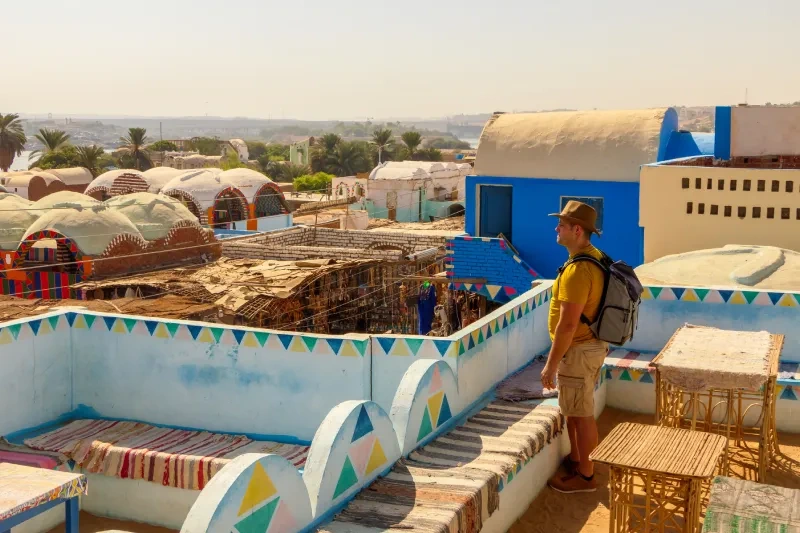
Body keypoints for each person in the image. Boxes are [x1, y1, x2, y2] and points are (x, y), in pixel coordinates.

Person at [540, 200, 608, 494]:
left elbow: (567, 325)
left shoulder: (579, 270)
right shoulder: (594, 257)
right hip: (590, 346)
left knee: (581, 415)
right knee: (577, 412)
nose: (557, 229)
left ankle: (586, 476)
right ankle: (579, 459)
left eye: (562, 225)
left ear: (576, 230)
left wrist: (551, 364)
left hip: (579, 349)